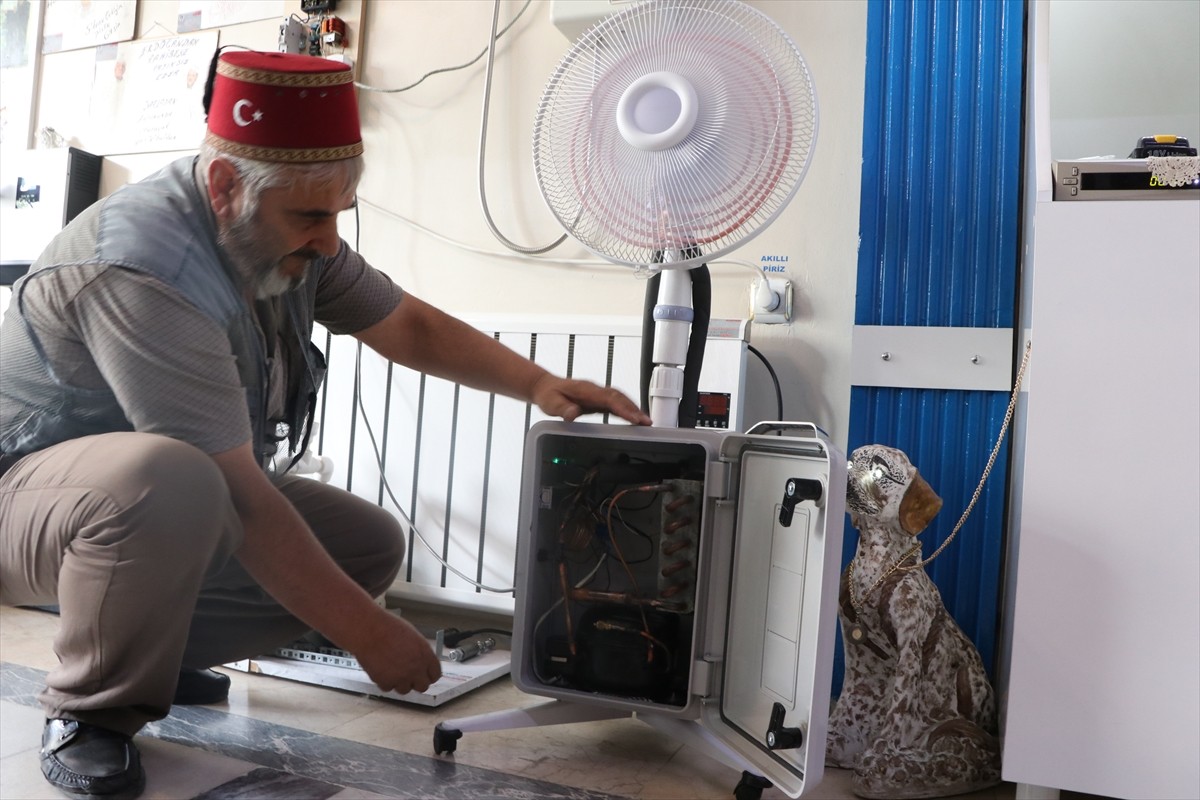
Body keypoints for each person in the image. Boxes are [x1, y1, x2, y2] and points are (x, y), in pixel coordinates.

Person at [0, 50, 651, 800]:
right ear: (223, 187)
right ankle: (91, 713)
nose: (328, 239)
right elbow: (241, 495)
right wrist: (368, 634)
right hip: (32, 498)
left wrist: (538, 383)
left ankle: (151, 652)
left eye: (337, 213)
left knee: (365, 543)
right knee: (174, 477)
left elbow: (403, 324)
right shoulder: (143, 268)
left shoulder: (281, 233)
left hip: (139, 508)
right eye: (311, 215)